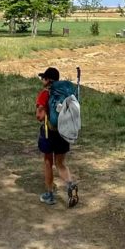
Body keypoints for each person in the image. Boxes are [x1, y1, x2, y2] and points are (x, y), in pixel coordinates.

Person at [36, 66, 79, 207]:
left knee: (48, 162)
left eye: (43, 77)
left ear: (48, 80)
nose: (42, 80)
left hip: (49, 133)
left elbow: (40, 116)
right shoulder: (65, 93)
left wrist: (39, 114)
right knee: (60, 163)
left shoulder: (44, 94)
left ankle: (49, 195)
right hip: (63, 132)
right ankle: (70, 184)